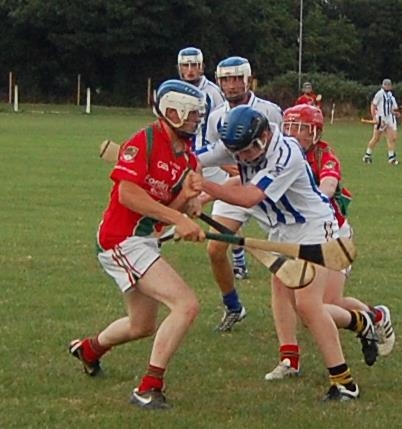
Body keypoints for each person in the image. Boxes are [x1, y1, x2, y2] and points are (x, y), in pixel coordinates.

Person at [198, 105, 378, 401]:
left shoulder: (286, 153)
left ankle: (345, 383)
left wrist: (200, 184)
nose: (242, 158)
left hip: (315, 228)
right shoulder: (237, 145)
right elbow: (193, 159)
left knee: (308, 305)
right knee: (280, 289)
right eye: (237, 153)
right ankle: (289, 359)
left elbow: (249, 196)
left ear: (265, 135)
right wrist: (186, 188)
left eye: (247, 151)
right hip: (281, 231)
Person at [68, 79, 207, 410]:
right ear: (171, 111)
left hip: (144, 240)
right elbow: (128, 194)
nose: (195, 121)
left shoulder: (187, 157)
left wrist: (187, 201)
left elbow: (163, 212)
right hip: (120, 239)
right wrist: (178, 220)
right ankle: (148, 388)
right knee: (186, 305)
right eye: (190, 115)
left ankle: (89, 350)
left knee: (141, 325)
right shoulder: (143, 141)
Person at [263, 103, 395, 379]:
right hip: (292, 233)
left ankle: (373, 318)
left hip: (331, 233)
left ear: (315, 132)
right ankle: (289, 359)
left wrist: (313, 198)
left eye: (301, 128)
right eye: (289, 127)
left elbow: (328, 184)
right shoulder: (278, 154)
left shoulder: (325, 155)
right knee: (281, 287)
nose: (294, 134)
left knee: (322, 304)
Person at [200, 56, 283, 331]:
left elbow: (281, 153)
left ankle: (311, 303)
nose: (232, 85)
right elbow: (215, 154)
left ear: (248, 79)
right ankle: (233, 306)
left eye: (237, 79)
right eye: (226, 79)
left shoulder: (270, 111)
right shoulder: (215, 118)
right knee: (215, 249)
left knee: (289, 258)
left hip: (269, 192)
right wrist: (235, 169)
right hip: (235, 189)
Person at [362, 78, 401, 165]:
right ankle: (367, 155)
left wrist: (394, 113)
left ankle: (391, 158)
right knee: (376, 138)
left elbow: (389, 108)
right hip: (381, 119)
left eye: (389, 85)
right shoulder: (379, 94)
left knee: (392, 138)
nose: (387, 86)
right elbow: (373, 105)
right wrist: (374, 118)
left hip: (388, 119)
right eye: (386, 85)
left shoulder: (390, 95)